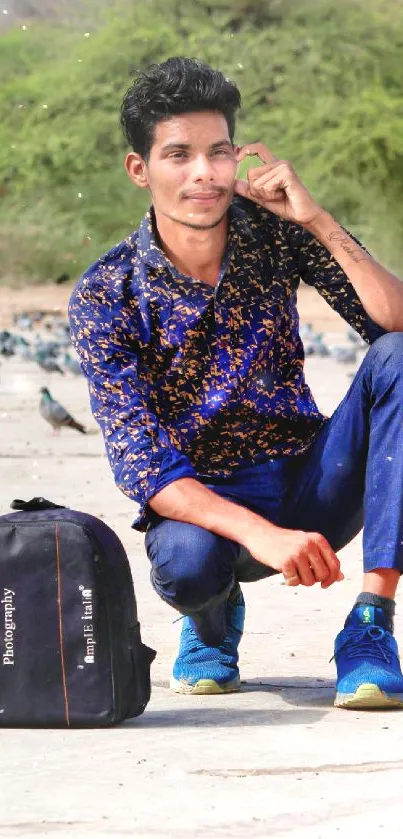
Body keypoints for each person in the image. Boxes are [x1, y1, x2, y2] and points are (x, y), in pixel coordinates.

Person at [69, 57, 403, 710]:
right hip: (206, 509)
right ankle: (211, 625)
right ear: (140, 170)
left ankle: (369, 624)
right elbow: (142, 465)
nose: (203, 173)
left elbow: (390, 322)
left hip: (308, 482)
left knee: (397, 355)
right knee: (187, 565)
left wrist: (316, 219)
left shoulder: (273, 234)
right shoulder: (106, 293)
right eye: (178, 155)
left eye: (218, 153)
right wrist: (258, 534)